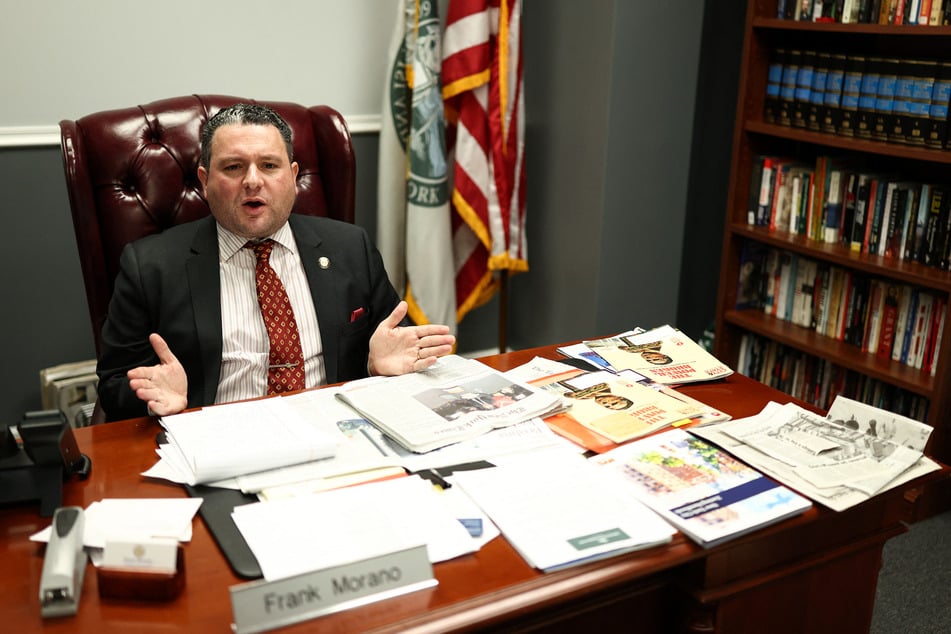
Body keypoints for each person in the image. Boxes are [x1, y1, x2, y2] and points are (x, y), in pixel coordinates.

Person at [96, 103, 455, 422]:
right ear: (205, 181)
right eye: (233, 167)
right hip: (218, 438)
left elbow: (393, 344)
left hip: (337, 432)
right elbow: (113, 386)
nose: (253, 181)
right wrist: (154, 398)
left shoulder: (350, 247)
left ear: (294, 177)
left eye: (269, 165)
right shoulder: (150, 266)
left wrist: (374, 367)